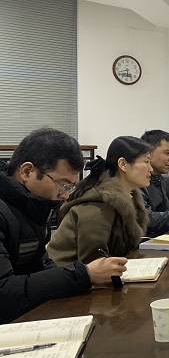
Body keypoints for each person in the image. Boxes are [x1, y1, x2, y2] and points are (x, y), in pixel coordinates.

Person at [0, 128, 126, 323]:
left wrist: (82, 277)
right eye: (63, 184)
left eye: (70, 187)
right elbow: (4, 292)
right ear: (27, 171)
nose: (66, 195)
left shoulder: (32, 206)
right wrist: (84, 275)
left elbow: (40, 264)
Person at [47, 136, 153, 265]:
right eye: (146, 162)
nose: (151, 169)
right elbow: (92, 262)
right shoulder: (98, 204)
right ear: (123, 164)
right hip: (67, 272)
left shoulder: (129, 197)